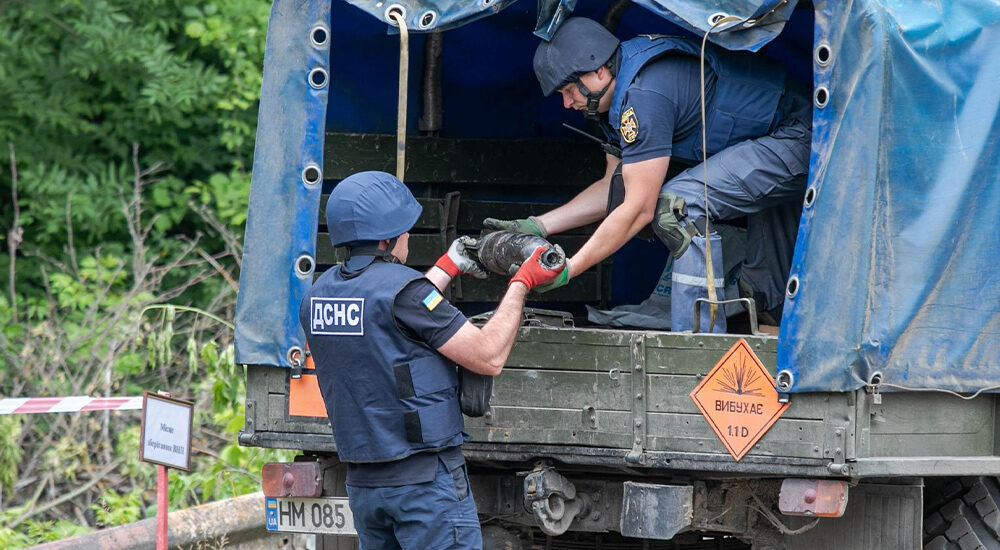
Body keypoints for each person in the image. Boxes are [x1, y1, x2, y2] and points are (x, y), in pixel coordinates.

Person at [486, 17, 811, 331]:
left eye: (570, 90)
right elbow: (614, 187)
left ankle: (695, 341)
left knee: (678, 205)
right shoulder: (616, 92)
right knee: (763, 291)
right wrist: (538, 225)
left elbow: (638, 208)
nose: (567, 103)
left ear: (599, 71)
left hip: (800, 137)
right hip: (772, 143)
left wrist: (570, 269)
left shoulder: (644, 94)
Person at [299, 171, 563, 550]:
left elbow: (388, 314)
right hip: (422, 486)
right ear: (388, 238)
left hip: (365, 485)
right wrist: (522, 283)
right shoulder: (405, 293)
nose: (408, 235)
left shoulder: (318, 296)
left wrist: (447, 266)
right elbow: (488, 356)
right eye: (405, 229)